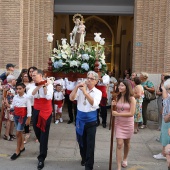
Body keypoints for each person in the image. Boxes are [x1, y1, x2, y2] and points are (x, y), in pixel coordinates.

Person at [69, 71, 102, 170]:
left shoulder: (98, 92)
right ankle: (84, 158)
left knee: (90, 144)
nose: (88, 80)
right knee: (81, 142)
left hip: (91, 121)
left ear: (96, 81)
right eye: (88, 77)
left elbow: (94, 104)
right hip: (80, 119)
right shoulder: (80, 89)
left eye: (91, 79)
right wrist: (76, 87)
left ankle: (89, 165)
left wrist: (85, 92)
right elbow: (71, 98)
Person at [27, 69, 53, 170]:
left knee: (44, 133)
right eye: (32, 76)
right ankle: (44, 146)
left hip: (46, 111)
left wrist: (45, 86)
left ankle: (41, 157)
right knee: (37, 132)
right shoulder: (32, 85)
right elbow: (29, 95)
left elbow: (48, 97)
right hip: (36, 111)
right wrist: (38, 86)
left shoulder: (49, 84)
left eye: (34, 75)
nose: (32, 77)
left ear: (41, 76)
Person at [112, 80, 136, 170]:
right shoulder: (117, 97)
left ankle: (125, 158)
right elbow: (114, 111)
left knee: (127, 142)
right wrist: (113, 106)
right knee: (119, 144)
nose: (119, 87)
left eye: (122, 86)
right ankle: (118, 167)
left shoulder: (131, 98)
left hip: (128, 124)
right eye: (119, 86)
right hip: (119, 123)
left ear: (127, 87)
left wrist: (117, 114)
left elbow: (131, 113)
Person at [10, 83, 31, 160]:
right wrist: (8, 105)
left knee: (18, 133)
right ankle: (22, 146)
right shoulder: (15, 96)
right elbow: (13, 105)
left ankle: (17, 151)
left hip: (22, 117)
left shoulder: (26, 97)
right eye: (17, 89)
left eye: (20, 89)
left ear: (24, 89)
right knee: (20, 132)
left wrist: (28, 119)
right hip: (16, 116)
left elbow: (29, 109)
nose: (18, 90)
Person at [153, 78, 170, 160]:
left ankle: (164, 153)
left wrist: (163, 88)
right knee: (165, 135)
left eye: (168, 89)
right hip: (166, 116)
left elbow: (165, 99)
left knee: (166, 136)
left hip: (168, 119)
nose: (167, 90)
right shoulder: (168, 96)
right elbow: (165, 101)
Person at [3, 75, 16, 141]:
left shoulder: (13, 87)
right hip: (9, 105)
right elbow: (4, 96)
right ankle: (6, 134)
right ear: (12, 80)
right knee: (9, 120)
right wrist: (6, 104)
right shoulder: (7, 86)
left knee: (12, 120)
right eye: (15, 80)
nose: (16, 81)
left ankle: (11, 133)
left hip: (13, 105)